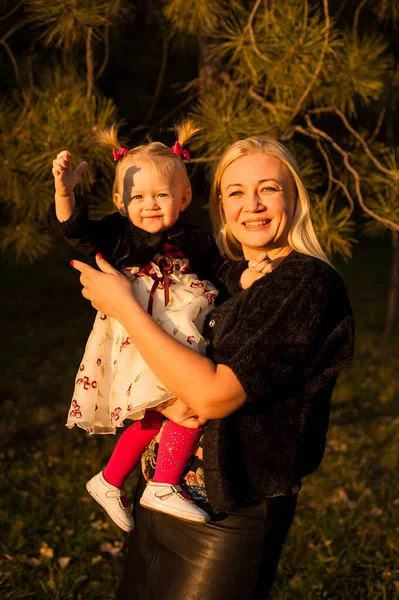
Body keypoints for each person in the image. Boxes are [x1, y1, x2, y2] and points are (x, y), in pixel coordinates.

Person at [71, 136, 355, 600]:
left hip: (229, 514)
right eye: (236, 192)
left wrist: (125, 308)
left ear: (294, 197)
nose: (253, 205)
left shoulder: (304, 282)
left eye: (268, 188)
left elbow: (213, 396)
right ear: (220, 204)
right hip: (160, 492)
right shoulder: (222, 277)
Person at [49, 121, 270, 534]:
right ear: (119, 201)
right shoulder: (117, 236)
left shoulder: (196, 238)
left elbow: (221, 270)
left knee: (165, 412)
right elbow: (76, 231)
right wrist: (65, 194)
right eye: (137, 197)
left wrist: (245, 277)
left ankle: (111, 479)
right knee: (187, 408)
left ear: (184, 197)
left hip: (178, 337)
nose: (150, 204)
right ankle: (162, 484)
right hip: (140, 337)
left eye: (162, 195)